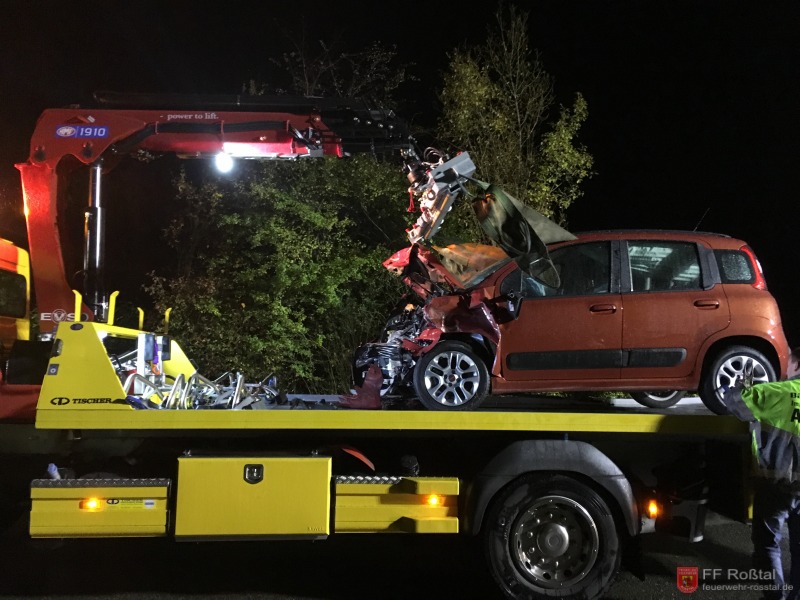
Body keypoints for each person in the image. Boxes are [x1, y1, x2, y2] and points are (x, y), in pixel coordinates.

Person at [722, 347, 800, 600]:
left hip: (776, 485)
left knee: (768, 545)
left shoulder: (776, 392)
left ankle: (775, 597)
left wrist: (739, 381)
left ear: (797, 366)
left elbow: (736, 401)